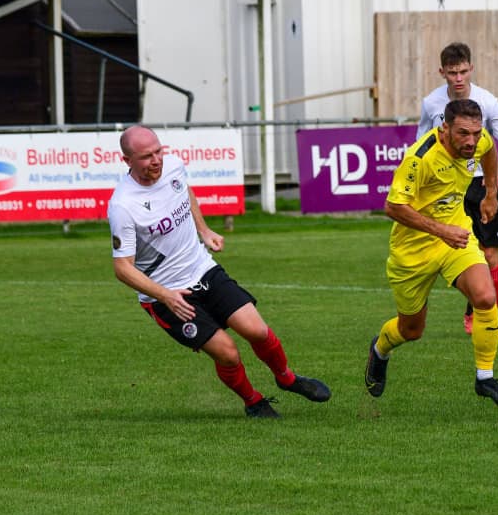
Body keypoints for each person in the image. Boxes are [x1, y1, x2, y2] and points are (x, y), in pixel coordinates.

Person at [107, 125, 331, 418]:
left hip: (202, 268)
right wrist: (165, 296)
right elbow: (122, 268)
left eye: (158, 151)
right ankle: (253, 402)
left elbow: (184, 193)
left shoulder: (173, 166)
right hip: (168, 295)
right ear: (127, 161)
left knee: (257, 330)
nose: (157, 160)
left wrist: (204, 230)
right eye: (146, 156)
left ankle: (287, 378)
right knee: (228, 353)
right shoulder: (123, 205)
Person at [365, 99, 498, 407]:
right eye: (463, 134)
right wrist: (441, 231)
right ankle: (379, 350)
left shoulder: (478, 141)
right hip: (413, 251)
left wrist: (491, 193)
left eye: (475, 133)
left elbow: (490, 151)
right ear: (445, 128)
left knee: (485, 296)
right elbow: (393, 207)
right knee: (411, 330)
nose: (471, 141)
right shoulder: (420, 158)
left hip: (456, 237)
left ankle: (485, 378)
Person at [417, 42, 498, 336]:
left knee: (491, 255)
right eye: (452, 73)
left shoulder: (487, 101)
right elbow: (421, 145)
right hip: (448, 186)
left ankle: (485, 320)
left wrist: (497, 172)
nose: (459, 78)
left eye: (463, 71)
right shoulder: (431, 104)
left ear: (471, 68)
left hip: (483, 183)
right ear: (442, 72)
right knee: (447, 251)